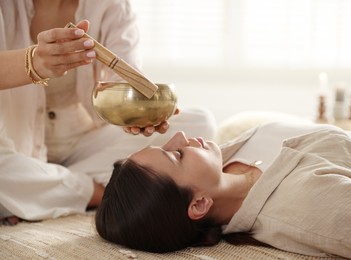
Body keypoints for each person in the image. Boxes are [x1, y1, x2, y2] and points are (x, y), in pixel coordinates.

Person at [0, 0, 216, 225]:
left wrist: (136, 110)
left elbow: (124, 74)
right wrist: (33, 62)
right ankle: (96, 192)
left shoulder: (112, 5)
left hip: (86, 142)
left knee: (199, 122)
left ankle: (37, 189)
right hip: (12, 144)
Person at [95, 121, 351, 259]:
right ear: (199, 205)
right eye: (177, 155)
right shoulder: (309, 206)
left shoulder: (226, 156)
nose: (180, 136)